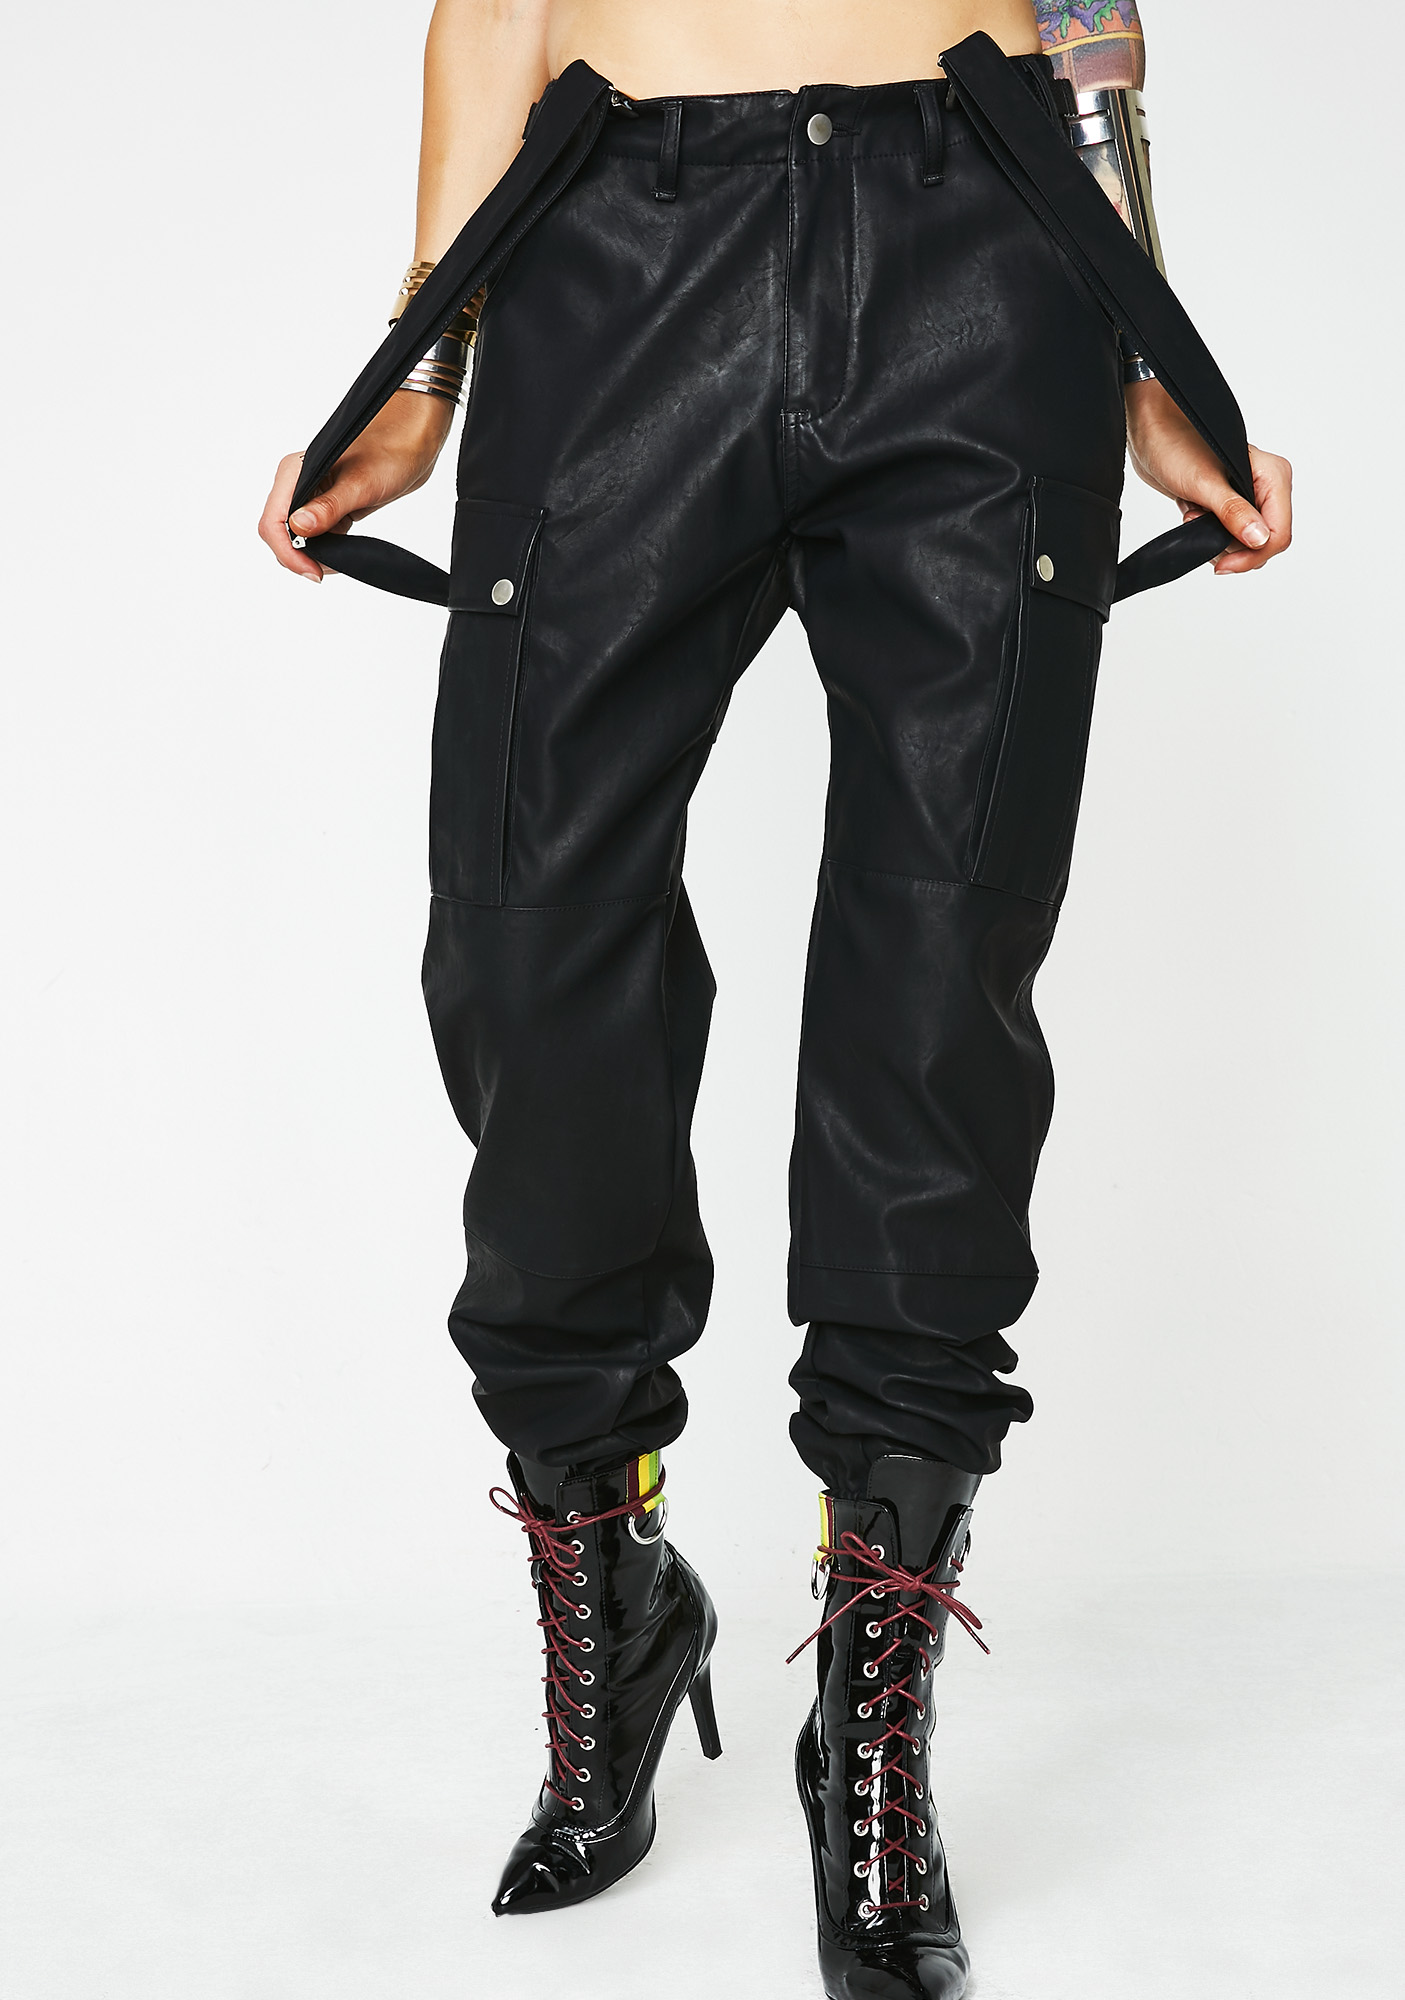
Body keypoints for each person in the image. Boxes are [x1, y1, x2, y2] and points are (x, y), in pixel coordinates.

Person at [259, 3, 1291, 1993]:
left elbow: (1081, 17)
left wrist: (1144, 346)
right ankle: (615, 1583)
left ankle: (873, 1710)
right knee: (527, 932)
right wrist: (420, 368)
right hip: (609, 253)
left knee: (940, 964)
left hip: (985, 253)